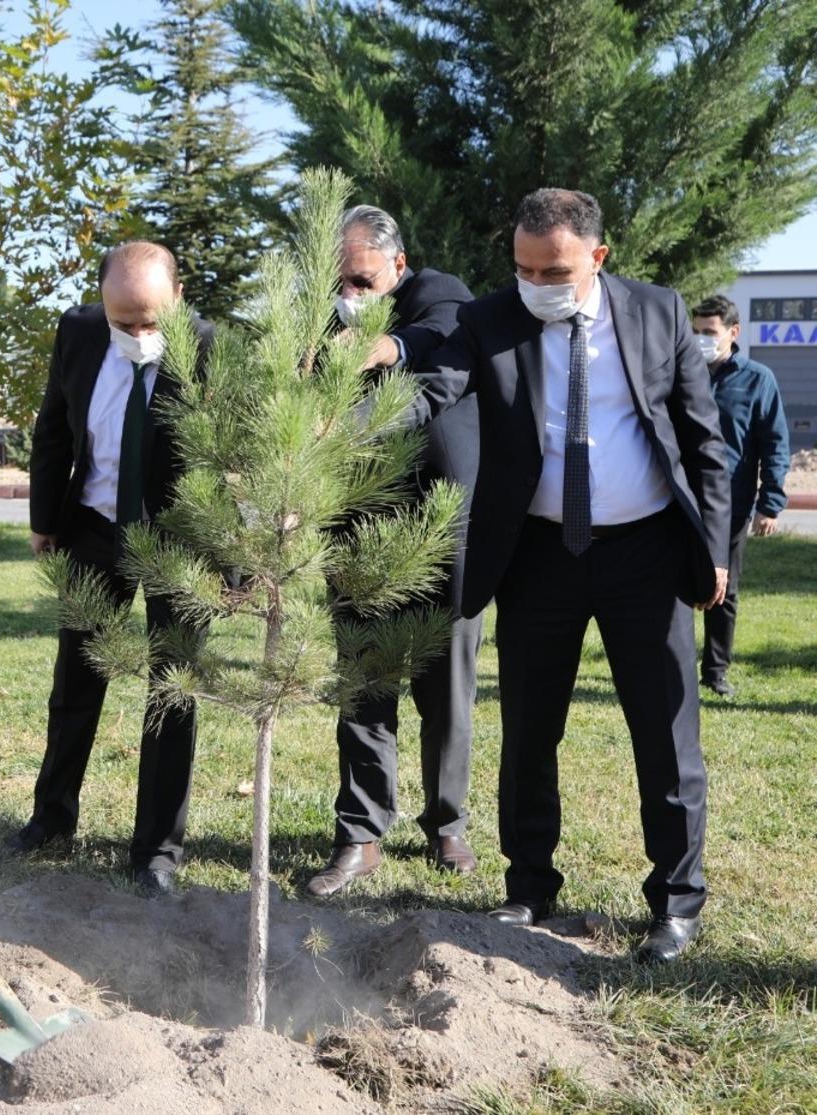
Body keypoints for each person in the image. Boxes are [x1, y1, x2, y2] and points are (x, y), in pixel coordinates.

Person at [369, 188, 730, 964]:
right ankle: (530, 885)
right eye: (525, 267)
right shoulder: (492, 318)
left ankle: (675, 903)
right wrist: (360, 414)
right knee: (530, 730)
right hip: (537, 555)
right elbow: (440, 385)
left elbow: (704, 439)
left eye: (556, 269)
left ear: (597, 258)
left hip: (645, 554)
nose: (538, 283)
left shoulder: (658, 312)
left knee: (666, 734)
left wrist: (718, 548)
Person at [7, 241, 213, 897]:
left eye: (151, 320)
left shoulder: (212, 348)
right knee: (76, 679)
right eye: (124, 321)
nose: (139, 334)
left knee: (171, 692)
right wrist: (44, 521)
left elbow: (228, 466)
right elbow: (54, 430)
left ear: (177, 298)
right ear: (101, 301)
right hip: (93, 523)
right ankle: (51, 818)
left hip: (177, 537)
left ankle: (156, 848)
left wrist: (232, 560)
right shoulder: (76, 331)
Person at [307, 205, 482, 898]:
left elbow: (441, 350)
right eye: (338, 282)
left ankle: (447, 822)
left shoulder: (439, 295)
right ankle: (360, 832)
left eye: (361, 279)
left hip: (441, 529)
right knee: (363, 688)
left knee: (447, 691)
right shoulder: (323, 323)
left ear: (398, 267)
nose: (349, 294)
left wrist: (384, 350)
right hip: (357, 535)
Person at [691, 294, 790, 697]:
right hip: (679, 498)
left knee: (722, 590)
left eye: (709, 332)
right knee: (669, 585)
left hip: (730, 505)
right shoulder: (682, 372)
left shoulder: (757, 379)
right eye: (695, 331)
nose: (701, 340)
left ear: (733, 332)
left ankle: (715, 672)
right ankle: (670, 663)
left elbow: (775, 441)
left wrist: (771, 502)